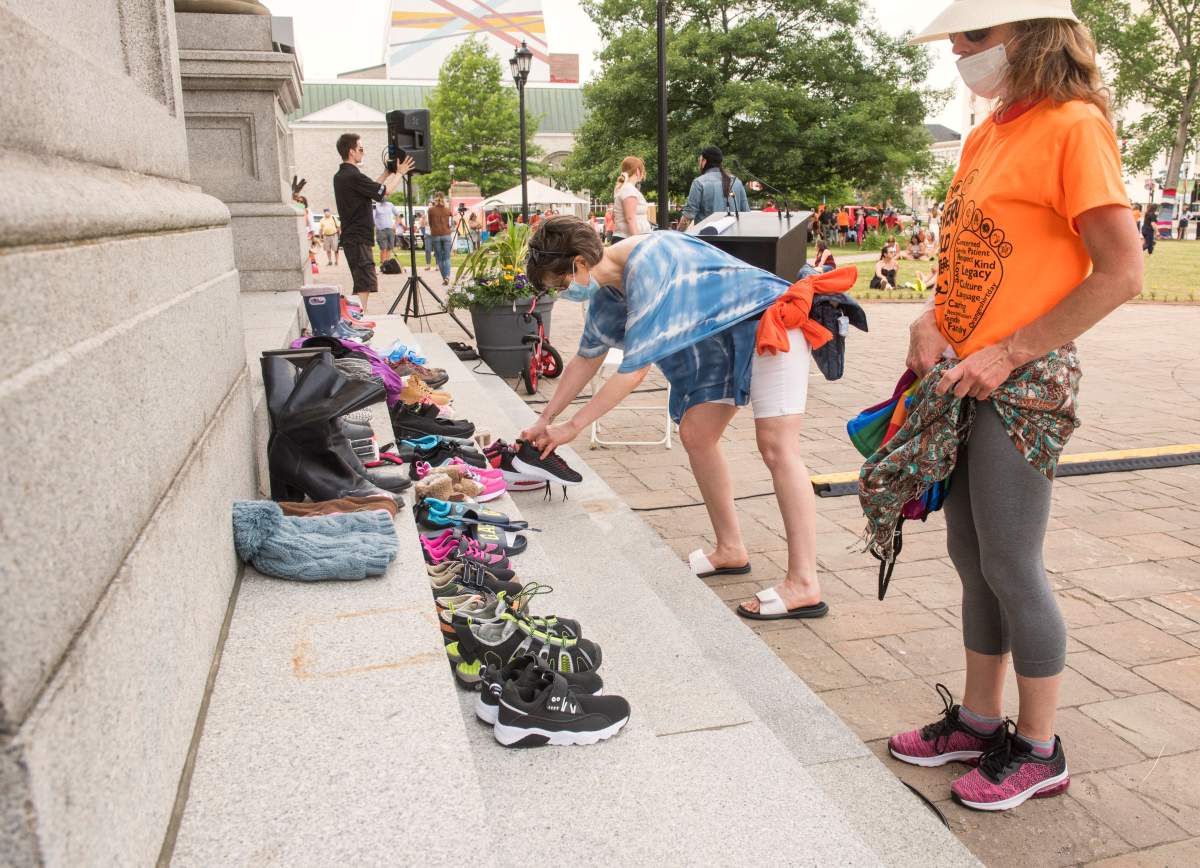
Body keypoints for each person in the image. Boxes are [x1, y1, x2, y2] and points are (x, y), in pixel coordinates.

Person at [881, 1, 1143, 813]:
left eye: (973, 37)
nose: (959, 52)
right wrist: (932, 317)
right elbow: (968, 256)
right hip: (967, 375)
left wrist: (1010, 350)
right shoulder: (989, 131)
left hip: (1020, 382)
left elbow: (1121, 271)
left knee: (1012, 565)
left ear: (1030, 36)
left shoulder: (1073, 126)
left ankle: (1039, 747)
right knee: (972, 560)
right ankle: (977, 717)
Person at [522, 216, 832, 622]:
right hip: (723, 337)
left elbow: (633, 371)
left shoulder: (652, 261)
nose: (565, 293)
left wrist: (572, 428)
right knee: (697, 434)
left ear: (579, 263)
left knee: (777, 448)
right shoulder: (606, 294)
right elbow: (587, 357)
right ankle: (730, 550)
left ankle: (804, 584)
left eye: (561, 284)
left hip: (770, 321)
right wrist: (544, 418)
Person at [332, 133, 413, 313]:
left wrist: (386, 173)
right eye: (361, 149)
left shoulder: (342, 175)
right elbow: (385, 193)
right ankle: (359, 317)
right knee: (364, 281)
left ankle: (357, 315)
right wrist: (400, 173)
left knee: (362, 279)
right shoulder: (353, 176)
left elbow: (372, 189)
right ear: (352, 151)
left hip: (353, 236)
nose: (363, 152)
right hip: (358, 237)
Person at [677, 146, 749, 231]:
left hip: (707, 240)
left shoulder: (699, 183)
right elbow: (746, 214)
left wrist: (678, 235)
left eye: (699, 160)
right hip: (734, 239)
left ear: (704, 161)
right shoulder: (736, 182)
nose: (698, 163)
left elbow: (688, 216)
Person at [612, 156, 653, 241]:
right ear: (638, 171)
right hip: (628, 240)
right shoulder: (629, 189)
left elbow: (614, 217)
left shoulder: (623, 188)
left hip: (624, 238)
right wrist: (637, 241)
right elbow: (630, 218)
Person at [427, 193, 454, 284]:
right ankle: (447, 276)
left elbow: (430, 223)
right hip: (446, 234)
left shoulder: (431, 210)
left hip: (435, 235)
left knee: (439, 257)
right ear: (444, 199)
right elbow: (451, 223)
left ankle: (444, 277)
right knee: (447, 257)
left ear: (435, 199)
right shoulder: (447, 210)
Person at [373, 198, 399, 264]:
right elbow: (372, 218)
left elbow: (397, 214)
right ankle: (383, 264)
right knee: (383, 248)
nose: (383, 198)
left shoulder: (390, 205)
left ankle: (388, 265)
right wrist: (376, 226)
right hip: (381, 230)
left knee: (389, 248)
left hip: (390, 229)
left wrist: (395, 225)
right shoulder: (375, 205)